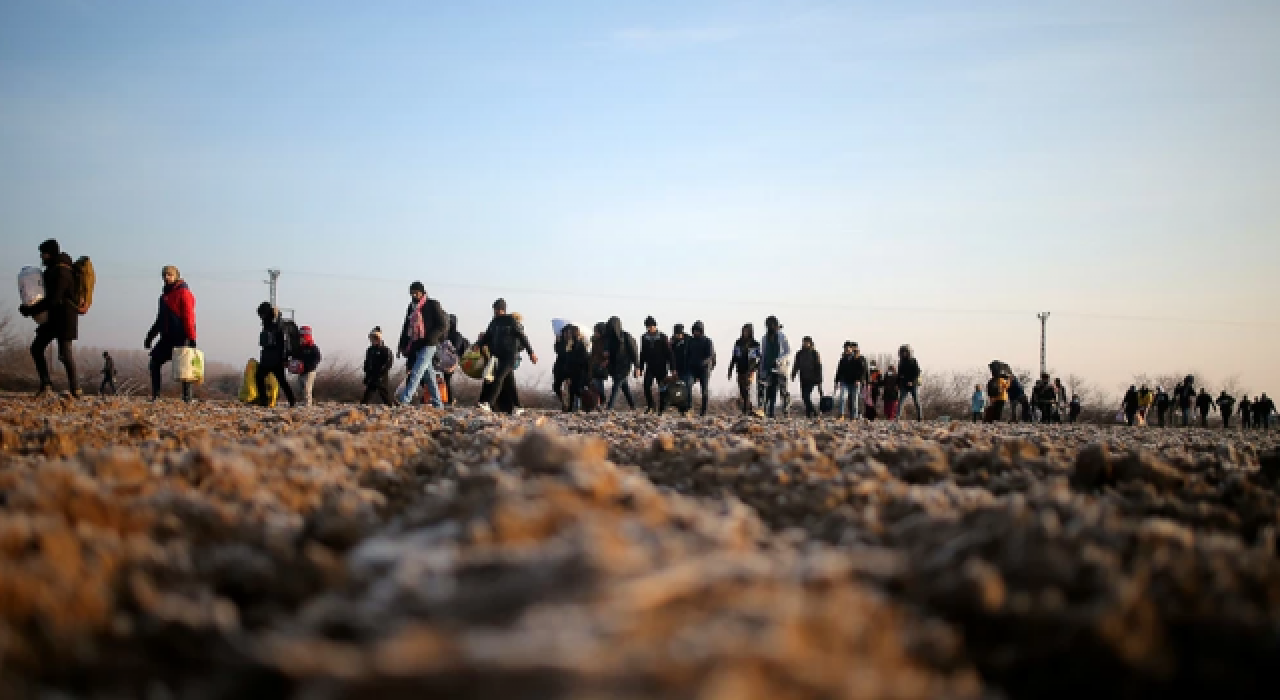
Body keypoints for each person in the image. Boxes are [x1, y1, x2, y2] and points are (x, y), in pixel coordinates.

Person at [17, 239, 80, 397]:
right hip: (53, 318)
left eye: (43, 254)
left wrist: (31, 310)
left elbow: (53, 299)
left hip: (65, 318)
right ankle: (46, 384)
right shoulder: (52, 270)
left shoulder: (62, 272)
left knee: (65, 354)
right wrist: (29, 307)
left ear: (50, 253)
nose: (41, 257)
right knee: (37, 348)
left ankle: (76, 389)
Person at [143, 265, 197, 402]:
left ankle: (187, 398)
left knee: (185, 368)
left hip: (181, 337)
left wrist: (191, 338)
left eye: (169, 275)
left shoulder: (184, 293)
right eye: (164, 275)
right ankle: (156, 395)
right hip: (166, 338)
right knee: (154, 363)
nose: (166, 278)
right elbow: (159, 319)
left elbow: (188, 317)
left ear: (176, 276)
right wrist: (150, 336)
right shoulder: (163, 297)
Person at [478, 299, 537, 413]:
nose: (495, 311)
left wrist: (531, 353)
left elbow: (522, 337)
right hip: (497, 356)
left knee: (498, 378)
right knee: (510, 384)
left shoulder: (511, 321)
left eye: (496, 309)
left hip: (510, 356)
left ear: (502, 309)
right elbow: (487, 336)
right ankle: (518, 407)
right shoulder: (493, 322)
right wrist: (478, 344)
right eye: (494, 309)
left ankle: (488, 404)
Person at [396, 282, 449, 408]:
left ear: (422, 292)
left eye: (416, 292)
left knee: (417, 371)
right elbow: (406, 326)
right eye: (412, 293)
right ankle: (438, 404)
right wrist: (402, 344)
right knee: (429, 377)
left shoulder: (433, 305)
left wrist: (432, 337)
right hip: (417, 344)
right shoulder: (411, 307)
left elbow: (443, 325)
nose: (414, 295)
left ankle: (404, 400)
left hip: (430, 344)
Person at [254, 302, 296, 407]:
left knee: (279, 380)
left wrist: (285, 359)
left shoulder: (277, 324)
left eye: (262, 314)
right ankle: (290, 401)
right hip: (269, 358)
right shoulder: (268, 323)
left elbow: (284, 342)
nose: (261, 317)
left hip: (276, 358)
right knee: (265, 378)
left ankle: (291, 401)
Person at [637, 316, 674, 414]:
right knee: (646, 386)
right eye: (648, 326)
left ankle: (662, 409)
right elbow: (642, 353)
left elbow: (669, 354)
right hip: (650, 367)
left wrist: (672, 368)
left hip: (661, 366)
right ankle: (651, 406)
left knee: (662, 388)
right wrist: (640, 368)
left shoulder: (663, 337)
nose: (649, 328)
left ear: (655, 326)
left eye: (651, 326)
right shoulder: (644, 338)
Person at [601, 316, 638, 410]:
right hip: (613, 366)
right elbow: (606, 350)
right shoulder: (608, 338)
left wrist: (637, 367)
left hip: (624, 366)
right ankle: (633, 405)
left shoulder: (626, 337)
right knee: (624, 385)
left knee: (616, 385)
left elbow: (633, 352)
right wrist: (605, 357)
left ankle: (610, 407)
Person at [759, 316, 791, 418]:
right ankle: (770, 412)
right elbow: (763, 354)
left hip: (781, 369)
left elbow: (788, 352)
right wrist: (762, 368)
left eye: (771, 324)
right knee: (771, 390)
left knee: (783, 391)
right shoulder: (764, 338)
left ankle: (786, 410)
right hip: (769, 368)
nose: (769, 326)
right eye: (768, 324)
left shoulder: (782, 337)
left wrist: (778, 360)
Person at [553, 324, 589, 412]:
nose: (567, 335)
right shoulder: (563, 342)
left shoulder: (578, 343)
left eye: (569, 333)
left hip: (575, 370)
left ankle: (576, 406)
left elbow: (583, 358)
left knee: (574, 390)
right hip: (563, 369)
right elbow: (559, 352)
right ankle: (567, 405)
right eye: (566, 333)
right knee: (559, 387)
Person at [727, 324, 760, 416]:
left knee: (746, 389)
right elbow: (734, 357)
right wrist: (730, 370)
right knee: (742, 391)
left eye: (747, 331)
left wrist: (756, 367)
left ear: (750, 332)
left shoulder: (755, 344)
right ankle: (749, 409)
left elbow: (760, 357)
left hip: (750, 370)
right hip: (740, 369)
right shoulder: (738, 342)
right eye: (743, 331)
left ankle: (745, 411)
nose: (745, 333)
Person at [686, 321, 716, 416]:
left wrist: (702, 364)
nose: (696, 332)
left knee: (704, 390)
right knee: (688, 385)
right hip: (692, 369)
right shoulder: (690, 341)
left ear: (701, 331)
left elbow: (710, 356)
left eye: (698, 331)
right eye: (694, 331)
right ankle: (689, 408)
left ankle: (703, 412)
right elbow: (687, 355)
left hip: (704, 369)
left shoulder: (708, 341)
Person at [439, 314, 469, 406]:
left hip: (450, 362)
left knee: (446, 379)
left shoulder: (456, 335)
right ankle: (445, 399)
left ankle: (449, 400)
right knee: (441, 380)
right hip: (441, 361)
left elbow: (456, 349)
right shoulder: (443, 334)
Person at [361, 327, 396, 405]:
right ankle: (361, 408)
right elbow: (367, 363)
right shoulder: (369, 350)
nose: (372, 340)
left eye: (374, 338)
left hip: (381, 377)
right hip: (372, 377)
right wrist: (367, 374)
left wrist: (381, 373)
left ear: (378, 338)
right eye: (371, 338)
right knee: (367, 395)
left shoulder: (385, 350)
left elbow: (388, 363)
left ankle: (393, 407)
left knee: (384, 394)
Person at [792, 336, 824, 418]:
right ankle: (808, 413)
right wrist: (793, 374)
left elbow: (819, 367)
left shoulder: (814, 353)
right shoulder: (799, 353)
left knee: (806, 396)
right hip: (803, 378)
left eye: (807, 342)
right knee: (804, 397)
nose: (805, 344)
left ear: (810, 343)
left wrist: (819, 380)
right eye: (804, 342)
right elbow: (796, 365)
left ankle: (814, 411)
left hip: (812, 378)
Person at [295, 326, 322, 406]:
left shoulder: (313, 347)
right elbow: (296, 357)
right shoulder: (299, 348)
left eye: (303, 339)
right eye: (300, 339)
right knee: (301, 387)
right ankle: (303, 401)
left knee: (307, 387)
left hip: (310, 371)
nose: (302, 340)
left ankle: (308, 403)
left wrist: (311, 366)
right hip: (301, 371)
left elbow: (318, 358)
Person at [897, 345, 923, 421]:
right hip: (904, 384)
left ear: (908, 352)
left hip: (913, 384)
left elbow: (917, 372)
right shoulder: (901, 362)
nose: (903, 353)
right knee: (901, 400)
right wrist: (898, 384)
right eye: (902, 352)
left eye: (905, 352)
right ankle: (897, 416)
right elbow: (899, 374)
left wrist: (912, 382)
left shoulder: (913, 361)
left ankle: (920, 416)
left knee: (916, 400)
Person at [832, 343, 855, 420]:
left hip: (854, 382)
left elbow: (861, 370)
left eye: (848, 349)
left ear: (852, 349)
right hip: (844, 382)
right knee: (842, 397)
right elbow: (839, 371)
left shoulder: (857, 359)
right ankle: (841, 415)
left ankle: (853, 416)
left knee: (853, 400)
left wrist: (860, 380)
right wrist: (836, 381)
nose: (847, 350)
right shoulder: (842, 360)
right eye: (845, 349)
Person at [589, 323, 610, 409]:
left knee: (599, 384)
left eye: (597, 331)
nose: (595, 333)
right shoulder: (594, 341)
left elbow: (608, 354)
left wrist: (606, 361)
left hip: (602, 365)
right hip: (594, 364)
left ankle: (602, 402)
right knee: (595, 385)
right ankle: (598, 403)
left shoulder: (606, 342)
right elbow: (593, 353)